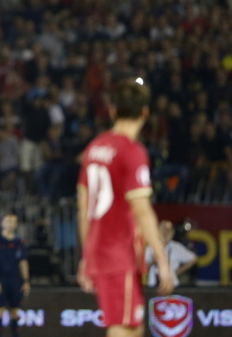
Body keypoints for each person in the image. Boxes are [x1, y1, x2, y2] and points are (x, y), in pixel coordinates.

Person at [77, 78, 174, 337]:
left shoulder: (95, 147)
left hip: (101, 250)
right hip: (118, 252)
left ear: (112, 110)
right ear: (145, 112)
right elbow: (143, 211)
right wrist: (163, 260)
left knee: (133, 326)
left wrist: (87, 255)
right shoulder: (132, 151)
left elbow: (83, 206)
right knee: (123, 327)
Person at [0, 214, 30, 337]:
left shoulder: (19, 242)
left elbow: (23, 261)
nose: (11, 223)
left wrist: (26, 280)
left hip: (15, 279)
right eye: (8, 221)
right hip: (1, 278)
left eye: (13, 221)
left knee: (15, 311)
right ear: (2, 223)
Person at [145, 220, 197, 287]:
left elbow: (193, 259)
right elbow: (143, 268)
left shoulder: (176, 247)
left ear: (172, 232)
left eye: (168, 230)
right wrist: (153, 261)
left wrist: (178, 272)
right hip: (153, 285)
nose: (165, 232)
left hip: (172, 285)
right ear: (158, 231)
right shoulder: (151, 248)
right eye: (163, 229)